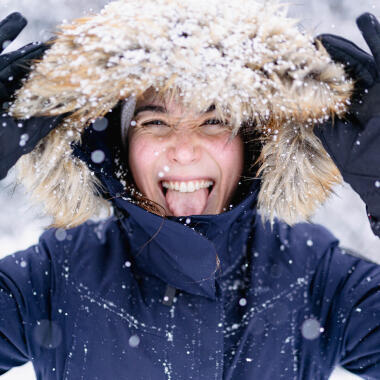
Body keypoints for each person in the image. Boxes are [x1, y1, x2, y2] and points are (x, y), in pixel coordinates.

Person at [0, 1, 379, 379]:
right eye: (155, 122)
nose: (183, 149)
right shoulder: (53, 277)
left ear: (254, 141)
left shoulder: (316, 278)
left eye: (214, 120)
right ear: (120, 145)